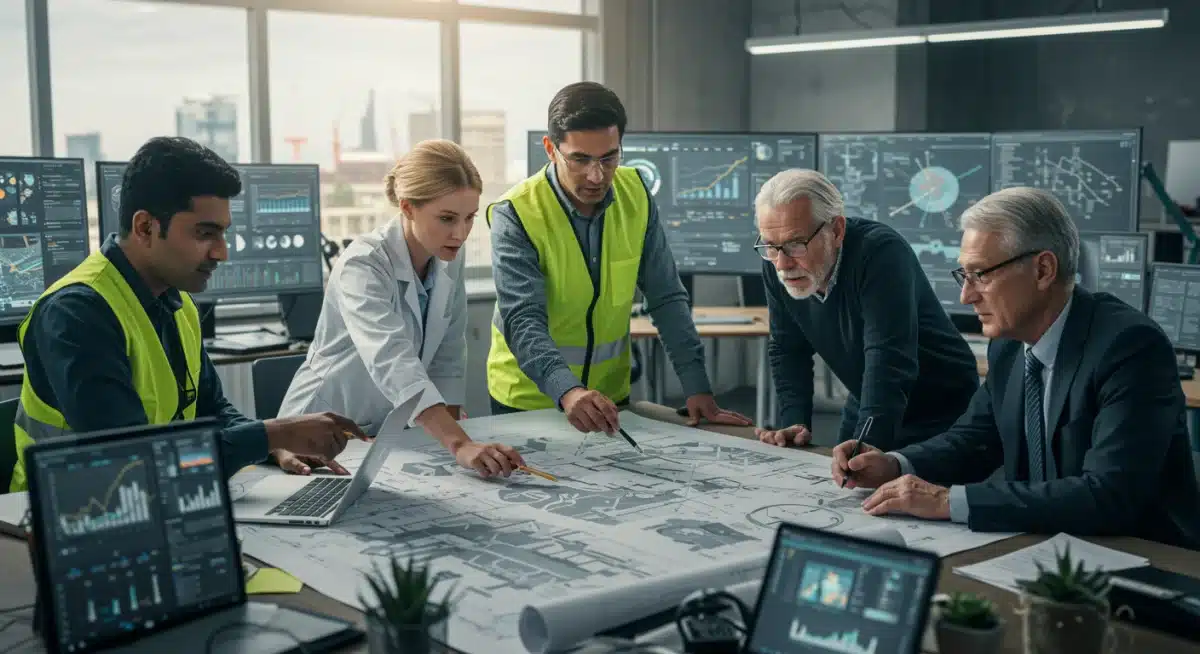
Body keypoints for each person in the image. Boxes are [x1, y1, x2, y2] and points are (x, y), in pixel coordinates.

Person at [832, 187, 1200, 549]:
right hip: (1042, 543)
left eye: (981, 275)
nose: (967, 295)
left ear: (1043, 269)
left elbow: (1109, 494)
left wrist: (949, 501)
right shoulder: (1008, 344)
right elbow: (974, 441)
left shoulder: (1130, 347)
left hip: (1143, 558)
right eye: (965, 275)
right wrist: (895, 465)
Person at [10, 136, 365, 492]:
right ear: (145, 227)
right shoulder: (76, 314)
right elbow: (132, 461)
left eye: (223, 233)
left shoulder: (175, 302)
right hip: (64, 517)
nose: (222, 253)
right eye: (205, 233)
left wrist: (275, 446)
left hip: (149, 504)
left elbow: (213, 411)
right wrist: (272, 433)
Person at [487, 81, 750, 434]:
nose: (597, 176)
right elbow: (523, 319)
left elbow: (666, 296)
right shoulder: (515, 213)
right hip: (529, 401)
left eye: (609, 157)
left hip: (609, 399)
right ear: (551, 149)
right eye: (580, 159)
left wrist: (697, 386)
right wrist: (568, 391)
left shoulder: (636, 193)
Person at [278, 140, 525, 478]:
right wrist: (458, 444)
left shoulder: (447, 253)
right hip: (319, 433)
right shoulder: (363, 265)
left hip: (390, 433)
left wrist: (454, 439)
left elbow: (448, 353)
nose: (461, 233)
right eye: (447, 218)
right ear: (408, 208)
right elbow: (392, 360)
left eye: (470, 218)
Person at [755, 169, 980, 451]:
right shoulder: (776, 259)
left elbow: (888, 358)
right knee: (841, 480)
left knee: (887, 482)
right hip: (869, 393)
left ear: (836, 230)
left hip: (940, 406)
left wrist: (868, 445)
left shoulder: (880, 252)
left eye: (796, 244)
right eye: (771, 246)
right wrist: (795, 422)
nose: (782, 263)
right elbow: (787, 347)